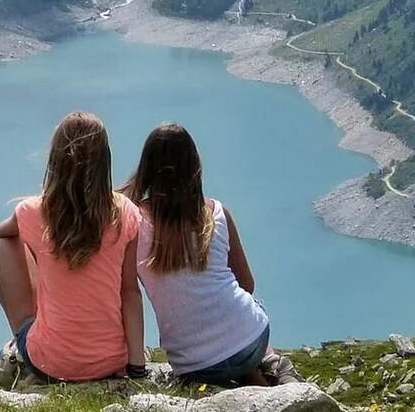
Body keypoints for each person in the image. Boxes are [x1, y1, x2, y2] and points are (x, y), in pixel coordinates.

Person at [121, 123, 292, 387]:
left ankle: (256, 376)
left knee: (224, 357)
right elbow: (247, 284)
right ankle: (269, 365)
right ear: (194, 166)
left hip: (192, 363)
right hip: (252, 340)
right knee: (243, 333)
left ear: (146, 168)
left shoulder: (132, 221)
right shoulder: (217, 213)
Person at [0, 111, 148, 384]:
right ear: (104, 161)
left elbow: (1, 233)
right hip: (111, 360)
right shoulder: (126, 213)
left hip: (50, 362)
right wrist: (136, 368)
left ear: (56, 160)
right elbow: (130, 293)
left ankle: (27, 338)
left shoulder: (32, 211)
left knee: (7, 245)